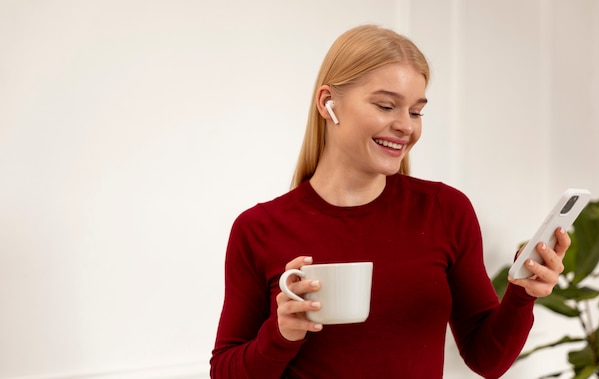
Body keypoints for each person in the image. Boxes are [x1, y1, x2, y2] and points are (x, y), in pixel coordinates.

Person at [210, 24, 568, 378]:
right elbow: (224, 372)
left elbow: (487, 360)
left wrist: (522, 293)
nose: (406, 126)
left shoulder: (445, 211)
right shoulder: (259, 229)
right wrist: (281, 334)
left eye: (415, 111)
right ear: (327, 103)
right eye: (386, 106)